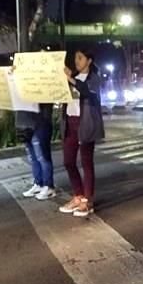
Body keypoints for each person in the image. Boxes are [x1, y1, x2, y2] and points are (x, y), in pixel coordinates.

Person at [59, 49, 105, 217]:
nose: (77, 61)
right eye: (75, 57)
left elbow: (87, 92)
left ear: (89, 60)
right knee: (68, 162)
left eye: (80, 58)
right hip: (70, 123)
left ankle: (88, 200)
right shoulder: (73, 78)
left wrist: (70, 79)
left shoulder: (94, 79)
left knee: (86, 163)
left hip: (85, 123)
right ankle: (78, 195)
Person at [18, 104, 55, 200]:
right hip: (25, 123)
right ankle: (38, 183)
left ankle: (48, 186)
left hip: (40, 122)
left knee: (42, 156)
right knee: (33, 158)